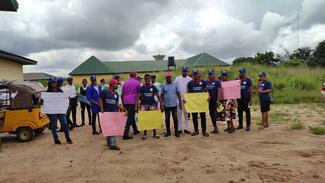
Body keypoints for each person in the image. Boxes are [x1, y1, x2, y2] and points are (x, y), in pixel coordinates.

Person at [99, 79, 126, 150]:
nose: (117, 85)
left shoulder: (116, 93)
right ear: (112, 85)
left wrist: (123, 109)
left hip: (114, 113)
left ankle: (109, 142)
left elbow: (116, 104)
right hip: (107, 112)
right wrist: (101, 108)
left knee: (111, 128)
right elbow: (100, 99)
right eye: (116, 84)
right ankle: (113, 144)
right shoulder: (104, 92)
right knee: (111, 128)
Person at [45, 77, 73, 144]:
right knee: (54, 125)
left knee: (65, 124)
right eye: (52, 82)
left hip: (60, 110)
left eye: (54, 82)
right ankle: (56, 139)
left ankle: (68, 138)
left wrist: (67, 99)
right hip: (52, 111)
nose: (53, 83)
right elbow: (44, 102)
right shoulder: (47, 92)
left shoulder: (60, 90)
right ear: (49, 83)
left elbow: (64, 99)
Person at [136, 74, 163, 139]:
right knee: (145, 119)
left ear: (150, 79)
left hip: (152, 105)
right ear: (144, 79)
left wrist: (161, 104)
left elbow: (158, 96)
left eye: (148, 78)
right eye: (146, 79)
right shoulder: (142, 87)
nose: (147, 80)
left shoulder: (153, 87)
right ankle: (145, 134)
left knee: (153, 119)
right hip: (144, 105)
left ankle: (155, 134)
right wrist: (136, 106)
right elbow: (138, 97)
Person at [187, 69, 209, 137]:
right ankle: (196, 131)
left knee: (203, 117)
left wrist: (208, 96)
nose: (195, 76)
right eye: (194, 74)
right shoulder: (190, 83)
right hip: (194, 103)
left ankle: (204, 131)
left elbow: (206, 90)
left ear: (198, 74)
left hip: (202, 103)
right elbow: (188, 93)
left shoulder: (203, 82)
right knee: (194, 117)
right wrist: (186, 99)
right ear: (192, 75)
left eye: (196, 74)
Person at [161, 72, 182, 137]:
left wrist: (180, 103)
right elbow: (161, 95)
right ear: (166, 78)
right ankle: (168, 132)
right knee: (167, 119)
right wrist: (162, 104)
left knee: (175, 118)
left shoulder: (175, 84)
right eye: (167, 77)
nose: (168, 78)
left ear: (171, 77)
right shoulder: (163, 85)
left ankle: (176, 132)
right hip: (166, 105)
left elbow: (178, 93)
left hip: (174, 105)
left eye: (169, 77)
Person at [121, 72, 140, 140]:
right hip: (133, 102)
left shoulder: (125, 83)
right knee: (130, 118)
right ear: (135, 76)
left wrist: (123, 104)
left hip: (126, 101)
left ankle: (135, 130)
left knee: (131, 116)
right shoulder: (137, 82)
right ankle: (125, 134)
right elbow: (139, 93)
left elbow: (122, 95)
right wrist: (137, 105)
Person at [174, 66, 192, 134]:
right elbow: (175, 87)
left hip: (186, 99)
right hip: (178, 99)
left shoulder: (190, 79)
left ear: (187, 71)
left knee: (186, 114)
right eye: (183, 71)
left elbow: (190, 89)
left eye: (185, 71)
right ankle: (179, 129)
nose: (184, 72)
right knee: (179, 114)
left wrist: (187, 98)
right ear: (181, 71)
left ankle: (186, 128)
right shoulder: (177, 78)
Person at [206, 69, 222, 134]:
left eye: (211, 74)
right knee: (211, 114)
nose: (210, 75)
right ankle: (215, 128)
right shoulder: (207, 82)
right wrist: (208, 94)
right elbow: (206, 89)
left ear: (214, 74)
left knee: (216, 114)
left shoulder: (217, 82)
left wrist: (218, 100)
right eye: (209, 74)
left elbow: (219, 91)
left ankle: (229, 126)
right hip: (210, 101)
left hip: (215, 101)